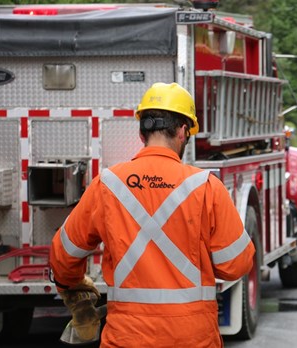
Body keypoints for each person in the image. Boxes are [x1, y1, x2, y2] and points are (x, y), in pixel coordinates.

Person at [50, 82, 255, 347]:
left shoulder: (108, 184)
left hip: (127, 338)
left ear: (141, 134)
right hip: (192, 338)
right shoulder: (205, 187)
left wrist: (75, 290)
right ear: (183, 132)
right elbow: (237, 265)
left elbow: (63, 255)